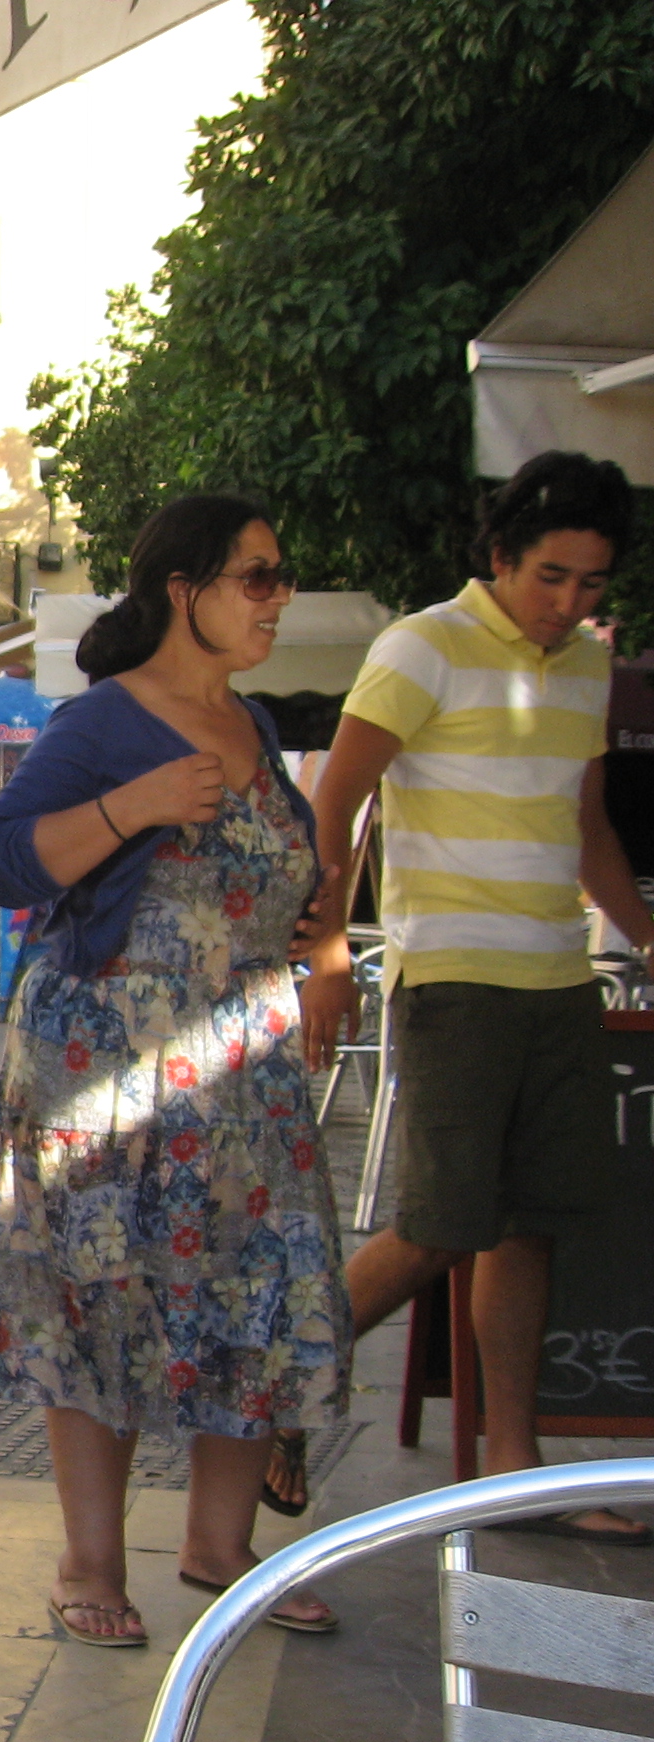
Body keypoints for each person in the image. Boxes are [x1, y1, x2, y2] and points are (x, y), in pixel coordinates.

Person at [0, 495, 346, 1646]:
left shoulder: (253, 722)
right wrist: (130, 807)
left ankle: (217, 1548)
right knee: (102, 1297)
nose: (276, 598)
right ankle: (88, 1563)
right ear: (184, 591)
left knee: (256, 1287)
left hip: (241, 1070)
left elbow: (276, 878)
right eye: (255, 577)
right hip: (105, 1065)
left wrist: (312, 936)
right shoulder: (103, 723)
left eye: (279, 575)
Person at [300, 451, 654, 1544]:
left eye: (591, 583)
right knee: (436, 1228)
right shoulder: (422, 644)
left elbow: (586, 828)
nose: (568, 601)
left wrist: (648, 937)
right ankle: (268, 1400)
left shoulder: (586, 664)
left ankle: (512, 1469)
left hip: (559, 979)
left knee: (530, 1227)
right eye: (550, 576)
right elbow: (335, 798)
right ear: (499, 557)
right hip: (451, 980)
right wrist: (324, 948)